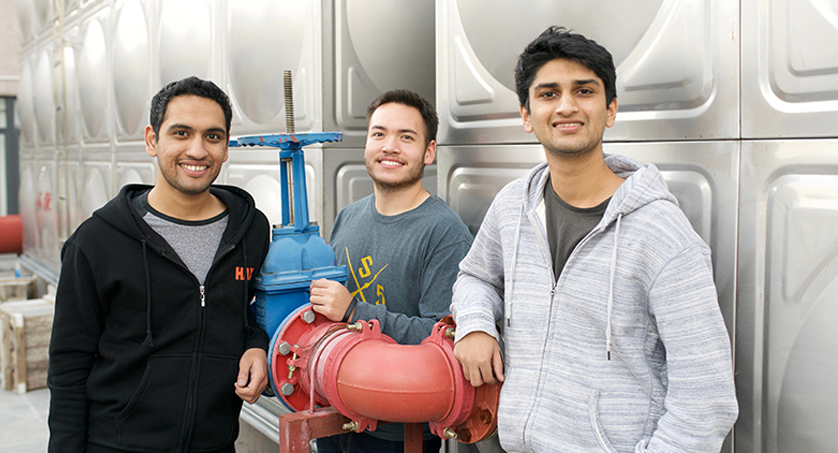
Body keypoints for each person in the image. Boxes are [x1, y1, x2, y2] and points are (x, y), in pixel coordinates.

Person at [451, 26, 738, 452]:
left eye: (584, 90)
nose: (566, 106)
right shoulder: (513, 205)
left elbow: (707, 397)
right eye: (548, 93)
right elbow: (476, 277)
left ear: (611, 109)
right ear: (526, 115)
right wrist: (475, 326)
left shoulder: (662, 233)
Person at [47, 76, 271, 452]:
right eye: (181, 133)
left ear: (227, 146)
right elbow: (68, 365)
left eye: (213, 137)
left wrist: (257, 345)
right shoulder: (96, 242)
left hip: (215, 444)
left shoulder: (252, 230)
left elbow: (249, 314)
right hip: (117, 444)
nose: (198, 150)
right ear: (152, 140)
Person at [308, 89, 473, 453]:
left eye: (406, 137)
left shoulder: (444, 233)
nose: (389, 146)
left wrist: (355, 311)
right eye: (379, 134)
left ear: (429, 152)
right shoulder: (349, 217)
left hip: (399, 432)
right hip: (337, 410)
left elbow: (442, 340)